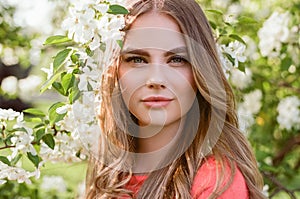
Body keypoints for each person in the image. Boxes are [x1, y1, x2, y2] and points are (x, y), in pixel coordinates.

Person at [85, 0, 266, 198]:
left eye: (177, 60)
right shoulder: (109, 175)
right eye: (137, 59)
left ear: (201, 70)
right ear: (115, 71)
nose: (156, 79)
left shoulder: (215, 183)